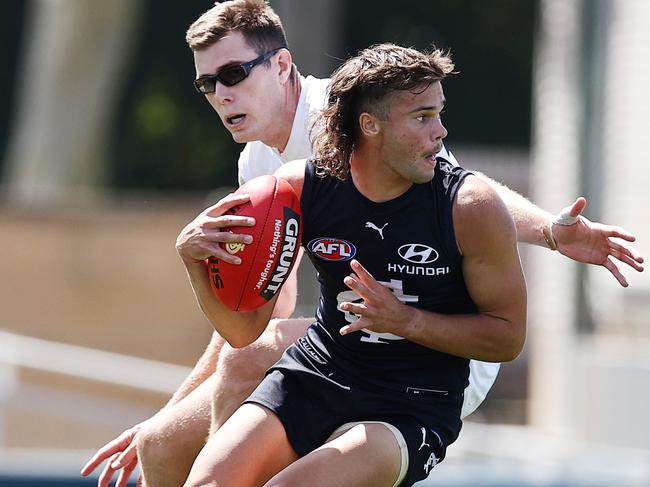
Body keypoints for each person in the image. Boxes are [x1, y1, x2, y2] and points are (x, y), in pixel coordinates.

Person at [80, 1, 644, 486]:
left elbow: (461, 188)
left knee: (247, 385)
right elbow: (253, 314)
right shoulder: (260, 166)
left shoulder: (353, 116)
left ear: (281, 66)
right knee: (160, 445)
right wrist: (171, 410)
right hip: (349, 346)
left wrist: (548, 229)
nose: (220, 95)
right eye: (207, 84)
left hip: (439, 360)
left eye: (233, 74)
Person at [181, 42, 527, 487]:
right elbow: (243, 332)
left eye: (438, 113)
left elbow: (508, 337)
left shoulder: (470, 205)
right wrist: (193, 263)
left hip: (411, 404)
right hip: (319, 374)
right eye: (422, 117)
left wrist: (407, 321)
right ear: (370, 126)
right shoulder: (299, 188)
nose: (440, 132)